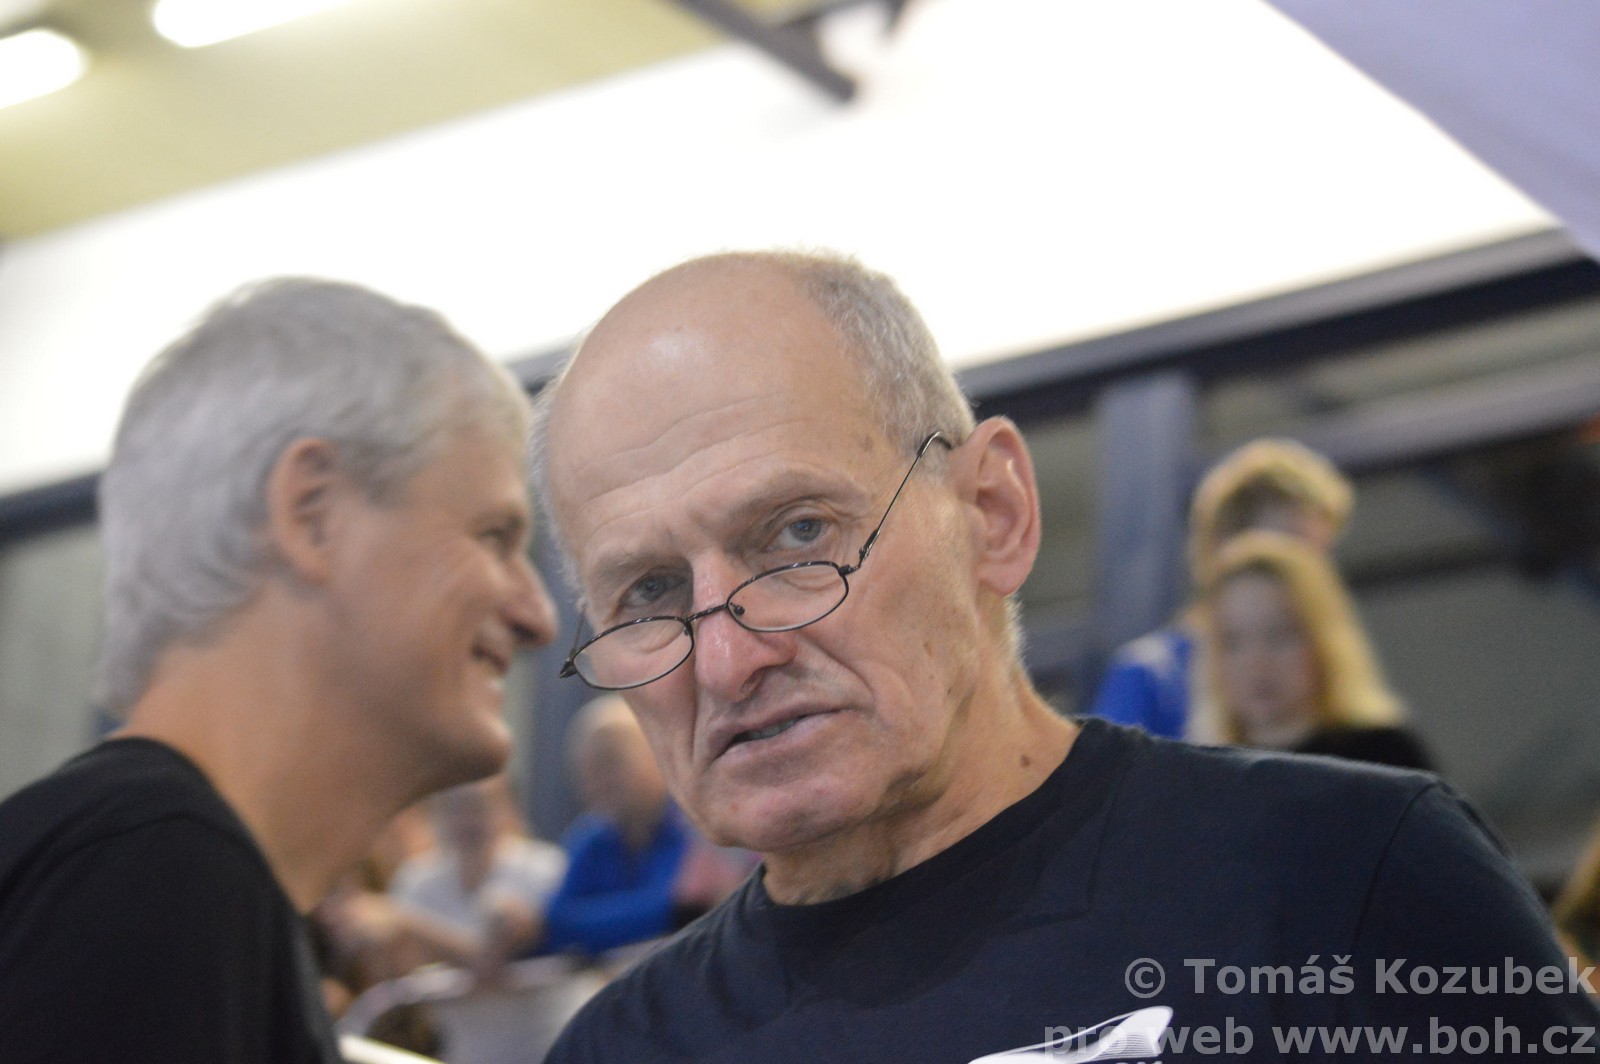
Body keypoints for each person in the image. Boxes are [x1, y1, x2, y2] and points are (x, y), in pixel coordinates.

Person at [529, 249, 1596, 1062]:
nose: (725, 660)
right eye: (649, 593)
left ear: (992, 513)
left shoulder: (1345, 877)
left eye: (798, 536)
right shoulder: (619, 1050)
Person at [0, 278, 557, 1063]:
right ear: (312, 513)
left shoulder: (155, 873)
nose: (538, 617)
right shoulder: (157, 877)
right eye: (494, 536)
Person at [1089, 437, 1353, 739]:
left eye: (1317, 559)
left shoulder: (1326, 679)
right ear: (1220, 546)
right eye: (1282, 555)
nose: (1307, 580)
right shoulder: (1150, 679)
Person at [1190, 531, 1434, 770]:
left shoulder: (1384, 756)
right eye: (1232, 641)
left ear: (1322, 638)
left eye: (1279, 635)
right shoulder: (1205, 773)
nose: (1257, 663)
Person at [540, 696, 748, 955]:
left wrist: (577, 924)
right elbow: (551, 923)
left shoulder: (701, 824)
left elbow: (686, 908)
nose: (597, 781)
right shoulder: (591, 839)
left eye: (609, 762)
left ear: (655, 752)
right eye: (585, 769)